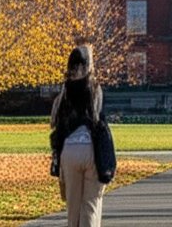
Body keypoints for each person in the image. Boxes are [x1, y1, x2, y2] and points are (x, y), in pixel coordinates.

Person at [50, 45, 105, 227]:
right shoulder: (94, 88)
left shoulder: (64, 92)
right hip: (90, 149)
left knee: (73, 208)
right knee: (90, 204)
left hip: (69, 150)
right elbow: (97, 117)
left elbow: (55, 122)